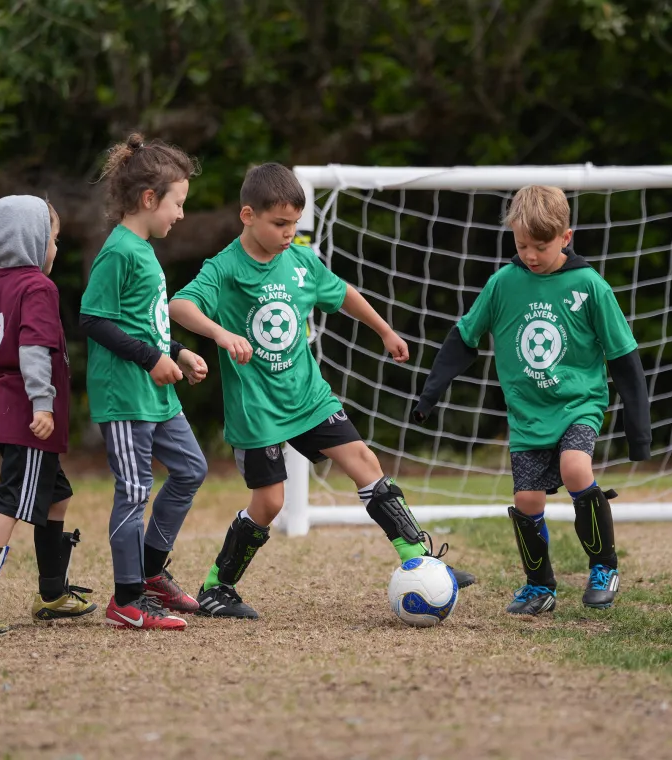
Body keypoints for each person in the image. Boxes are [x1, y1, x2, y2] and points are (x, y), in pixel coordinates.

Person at [169, 162, 477, 620]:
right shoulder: (225, 268)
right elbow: (179, 305)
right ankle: (218, 588)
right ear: (247, 215)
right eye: (279, 224)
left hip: (309, 396)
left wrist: (385, 331)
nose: (289, 232)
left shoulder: (301, 262)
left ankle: (420, 557)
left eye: (294, 223)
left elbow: (343, 293)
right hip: (258, 408)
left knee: (365, 463)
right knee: (270, 502)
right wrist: (221, 334)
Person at [413, 185, 651, 615]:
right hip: (527, 416)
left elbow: (623, 358)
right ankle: (539, 588)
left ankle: (603, 567)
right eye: (522, 245)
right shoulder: (503, 284)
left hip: (579, 404)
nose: (531, 255)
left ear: (566, 237)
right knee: (528, 501)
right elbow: (464, 338)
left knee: (575, 466)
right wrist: (430, 394)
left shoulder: (589, 286)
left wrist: (639, 433)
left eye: (540, 246)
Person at [0, 195, 96, 634]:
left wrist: (0, 370)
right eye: (53, 239)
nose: (55, 248)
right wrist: (41, 402)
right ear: (31, 239)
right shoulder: (37, 287)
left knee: (57, 496)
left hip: (8, 412)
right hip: (32, 418)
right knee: (11, 502)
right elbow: (32, 349)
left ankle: (52, 592)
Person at [80, 133, 210, 631]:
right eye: (177, 203)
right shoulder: (119, 251)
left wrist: (177, 351)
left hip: (157, 392)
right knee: (134, 490)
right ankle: (126, 598)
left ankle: (151, 570)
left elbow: (142, 322)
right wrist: (152, 358)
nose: (180, 215)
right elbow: (94, 320)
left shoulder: (145, 250)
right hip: (125, 396)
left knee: (192, 470)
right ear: (149, 199)